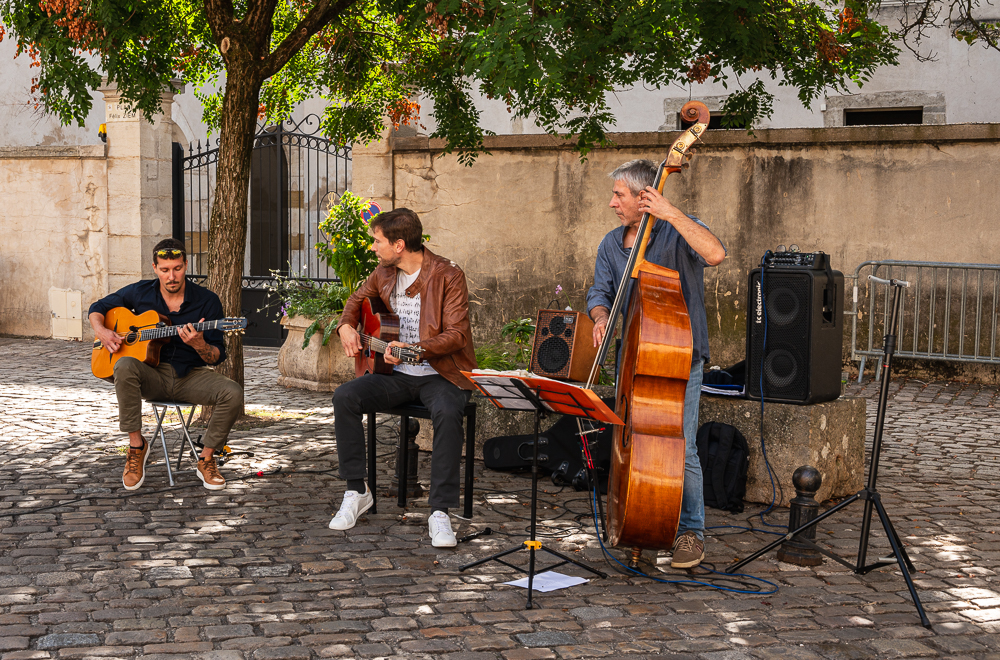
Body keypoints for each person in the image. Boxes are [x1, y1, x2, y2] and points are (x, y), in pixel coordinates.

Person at [587, 159, 726, 569]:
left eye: (619, 195)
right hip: (631, 358)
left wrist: (670, 212)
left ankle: (691, 531)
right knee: (629, 445)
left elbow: (716, 254)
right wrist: (599, 319)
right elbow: (599, 293)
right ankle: (637, 519)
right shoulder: (612, 244)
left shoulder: (676, 230)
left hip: (677, 356)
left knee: (678, 448)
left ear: (644, 197)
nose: (612, 202)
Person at [331, 207, 477, 548]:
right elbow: (356, 300)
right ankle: (357, 490)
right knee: (345, 397)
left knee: (448, 412)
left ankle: (439, 511)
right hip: (394, 374)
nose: (373, 247)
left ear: (399, 244)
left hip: (441, 375)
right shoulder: (383, 272)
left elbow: (457, 335)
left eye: (377, 241)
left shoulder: (448, 275)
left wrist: (414, 349)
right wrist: (346, 327)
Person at [88, 238, 243, 492]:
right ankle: (137, 447)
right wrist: (102, 331)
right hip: (152, 376)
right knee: (125, 364)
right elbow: (98, 308)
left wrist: (200, 345)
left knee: (233, 392)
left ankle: (206, 459)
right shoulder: (140, 292)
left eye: (178, 268)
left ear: (185, 265)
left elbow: (216, 356)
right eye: (165, 270)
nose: (172, 276)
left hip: (190, 376)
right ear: (154, 268)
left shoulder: (207, 301)